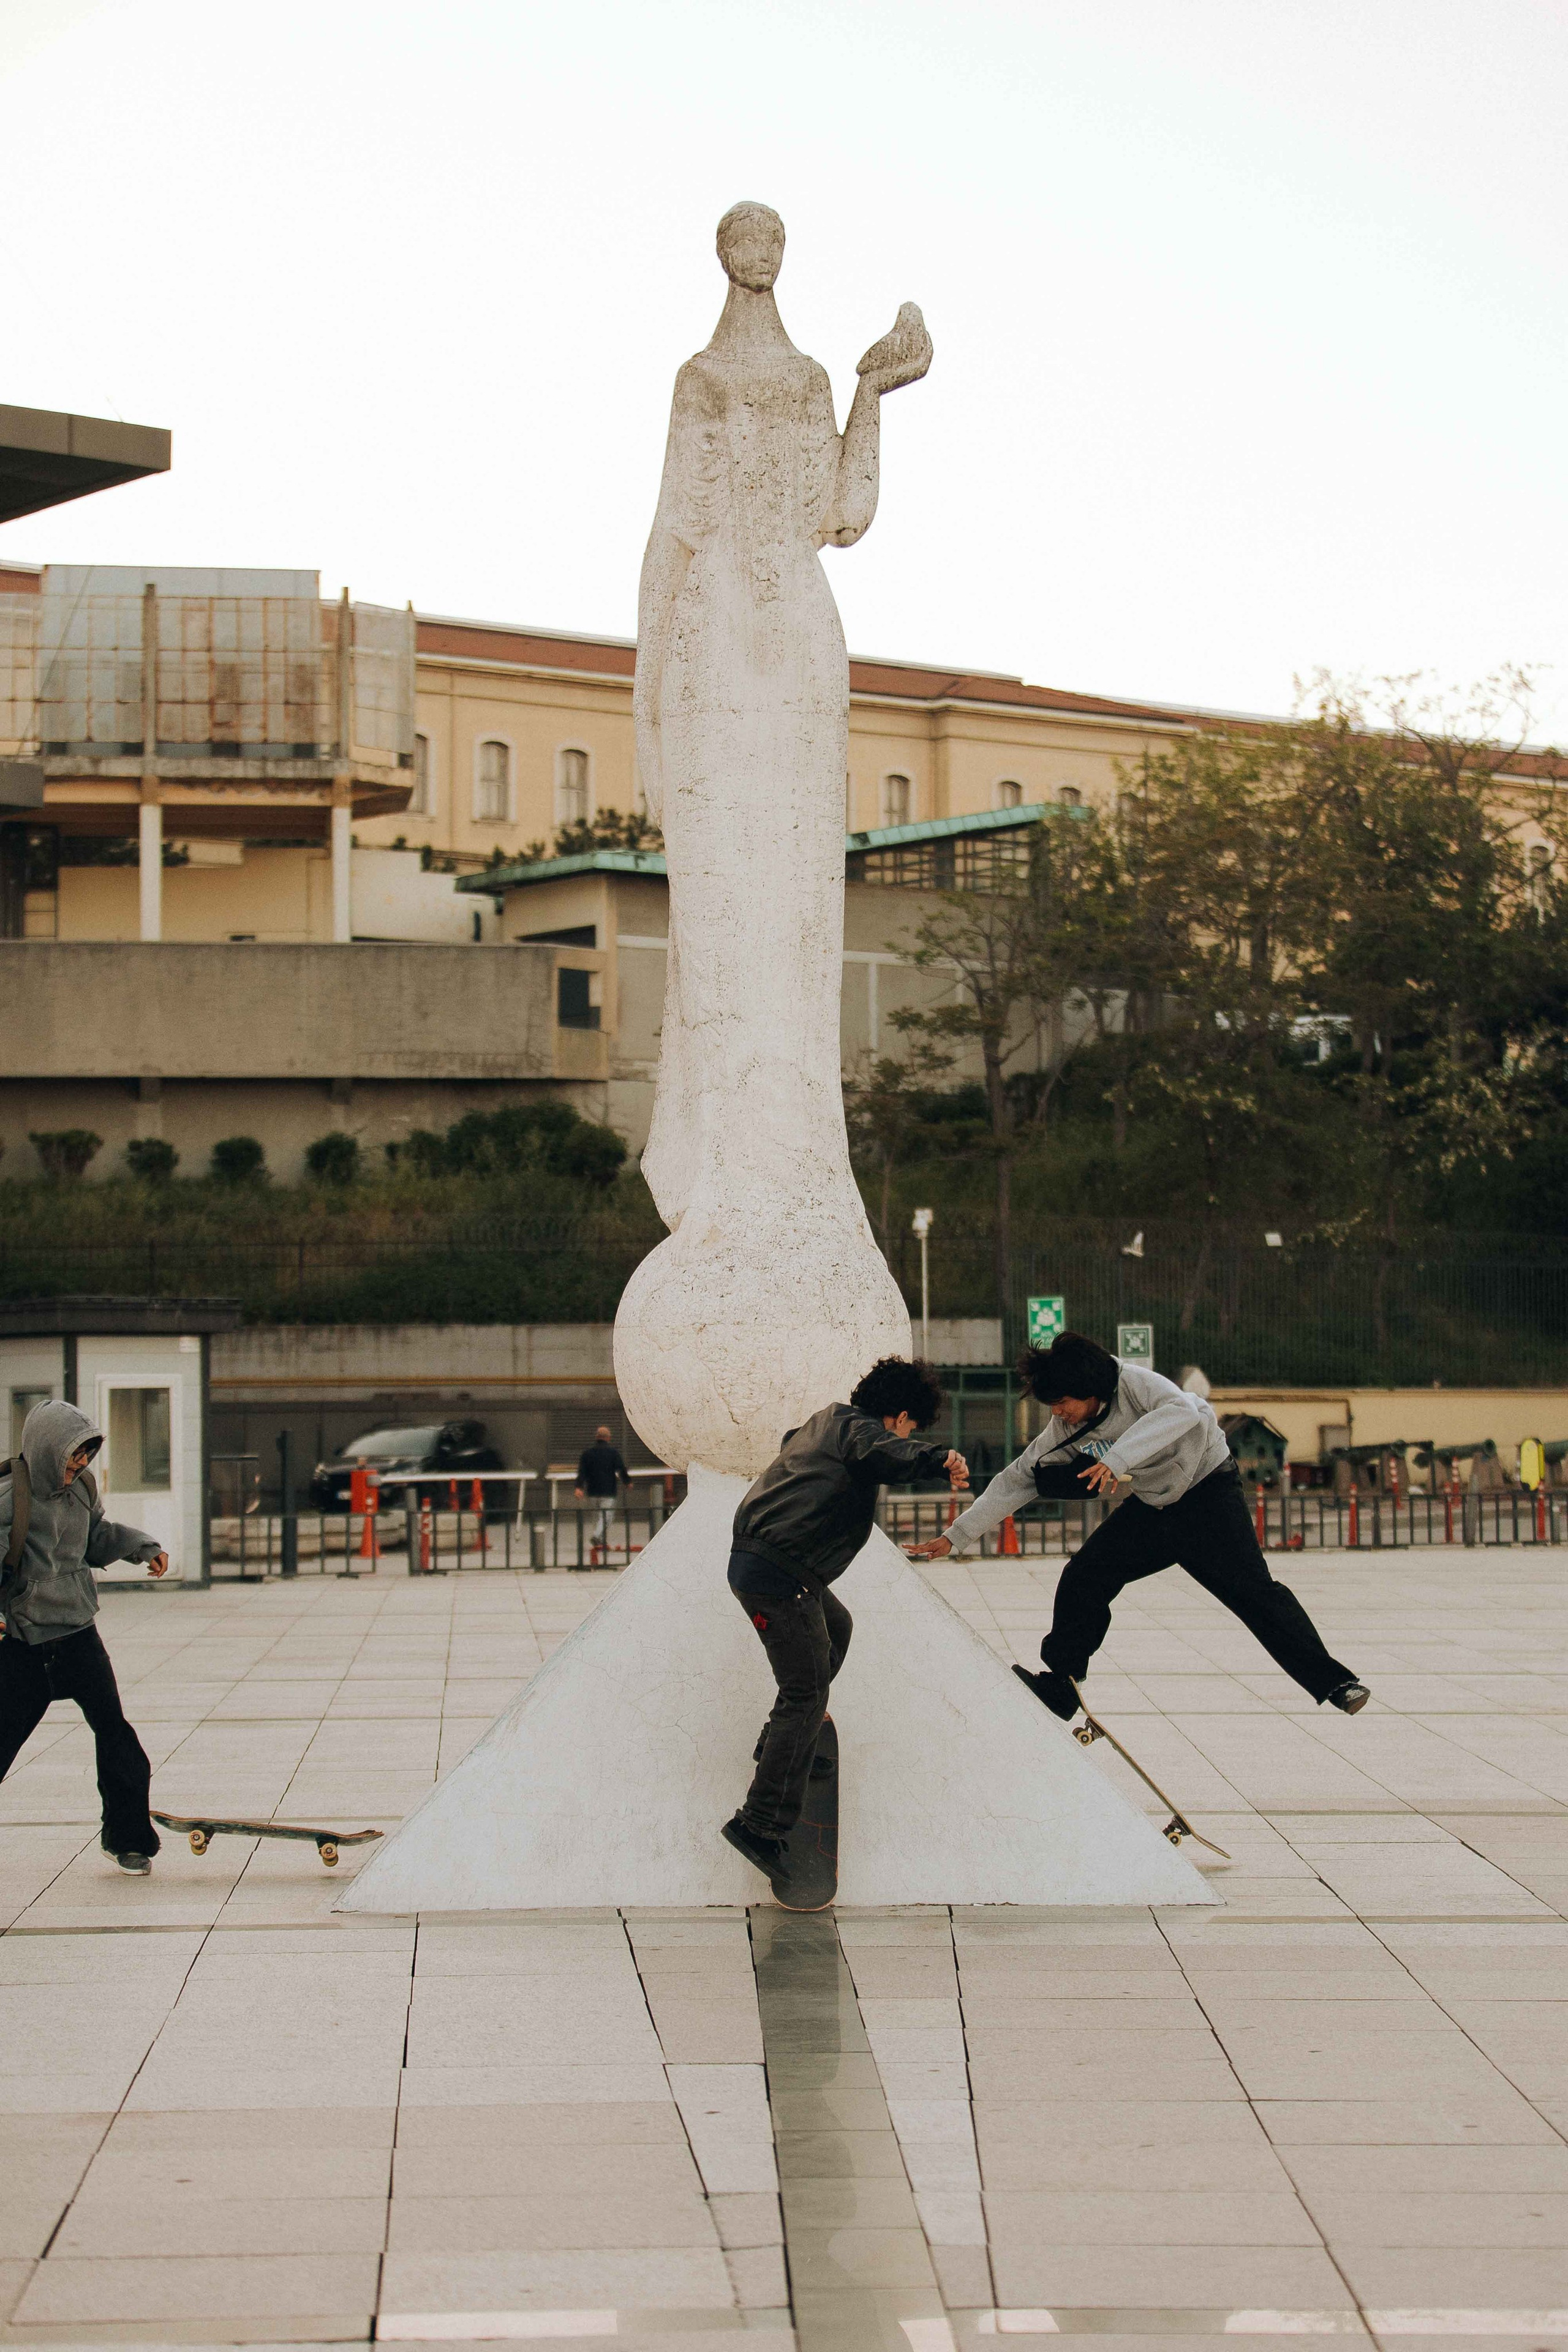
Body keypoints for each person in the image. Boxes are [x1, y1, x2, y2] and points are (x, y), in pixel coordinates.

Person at [908, 1332, 1369, 1721]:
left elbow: (1184, 1411)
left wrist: (1117, 1457)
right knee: (1084, 1576)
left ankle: (1337, 1683)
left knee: (1255, 1595)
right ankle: (1062, 1685)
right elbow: (1019, 1478)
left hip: (1209, 1496)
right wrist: (956, 1536)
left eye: (1063, 1403)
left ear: (1091, 1391)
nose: (1058, 1414)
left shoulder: (1135, 1384)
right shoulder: (1065, 1431)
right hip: (1155, 1508)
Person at [722, 1356, 969, 1888]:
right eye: (911, 1427)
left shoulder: (823, 1423)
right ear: (900, 1417)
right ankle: (758, 1824)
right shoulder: (860, 1432)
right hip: (778, 1576)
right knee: (805, 1694)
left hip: (776, 1567)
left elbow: (812, 1443)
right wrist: (936, 1456)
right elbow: (883, 1449)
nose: (908, 1435)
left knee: (839, 1629)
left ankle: (778, 1747)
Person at [0, 1400, 171, 1874]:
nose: (80, 1465)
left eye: (88, 1455)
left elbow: (97, 1537)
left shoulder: (82, 1490)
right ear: (46, 1449)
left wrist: (141, 1547)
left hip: (78, 1634)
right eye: (74, 1455)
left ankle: (129, 1839)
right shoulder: (10, 1496)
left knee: (115, 1735)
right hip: (24, 1642)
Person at [575, 1426, 629, 1547]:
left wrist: (579, 1487)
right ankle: (597, 1536)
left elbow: (582, 1472)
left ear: (596, 1437)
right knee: (606, 1516)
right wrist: (627, 1482)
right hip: (608, 1490)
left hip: (592, 1490)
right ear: (608, 1438)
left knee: (597, 1516)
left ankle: (599, 1540)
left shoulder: (587, 1454)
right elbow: (621, 1469)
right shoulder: (613, 1453)